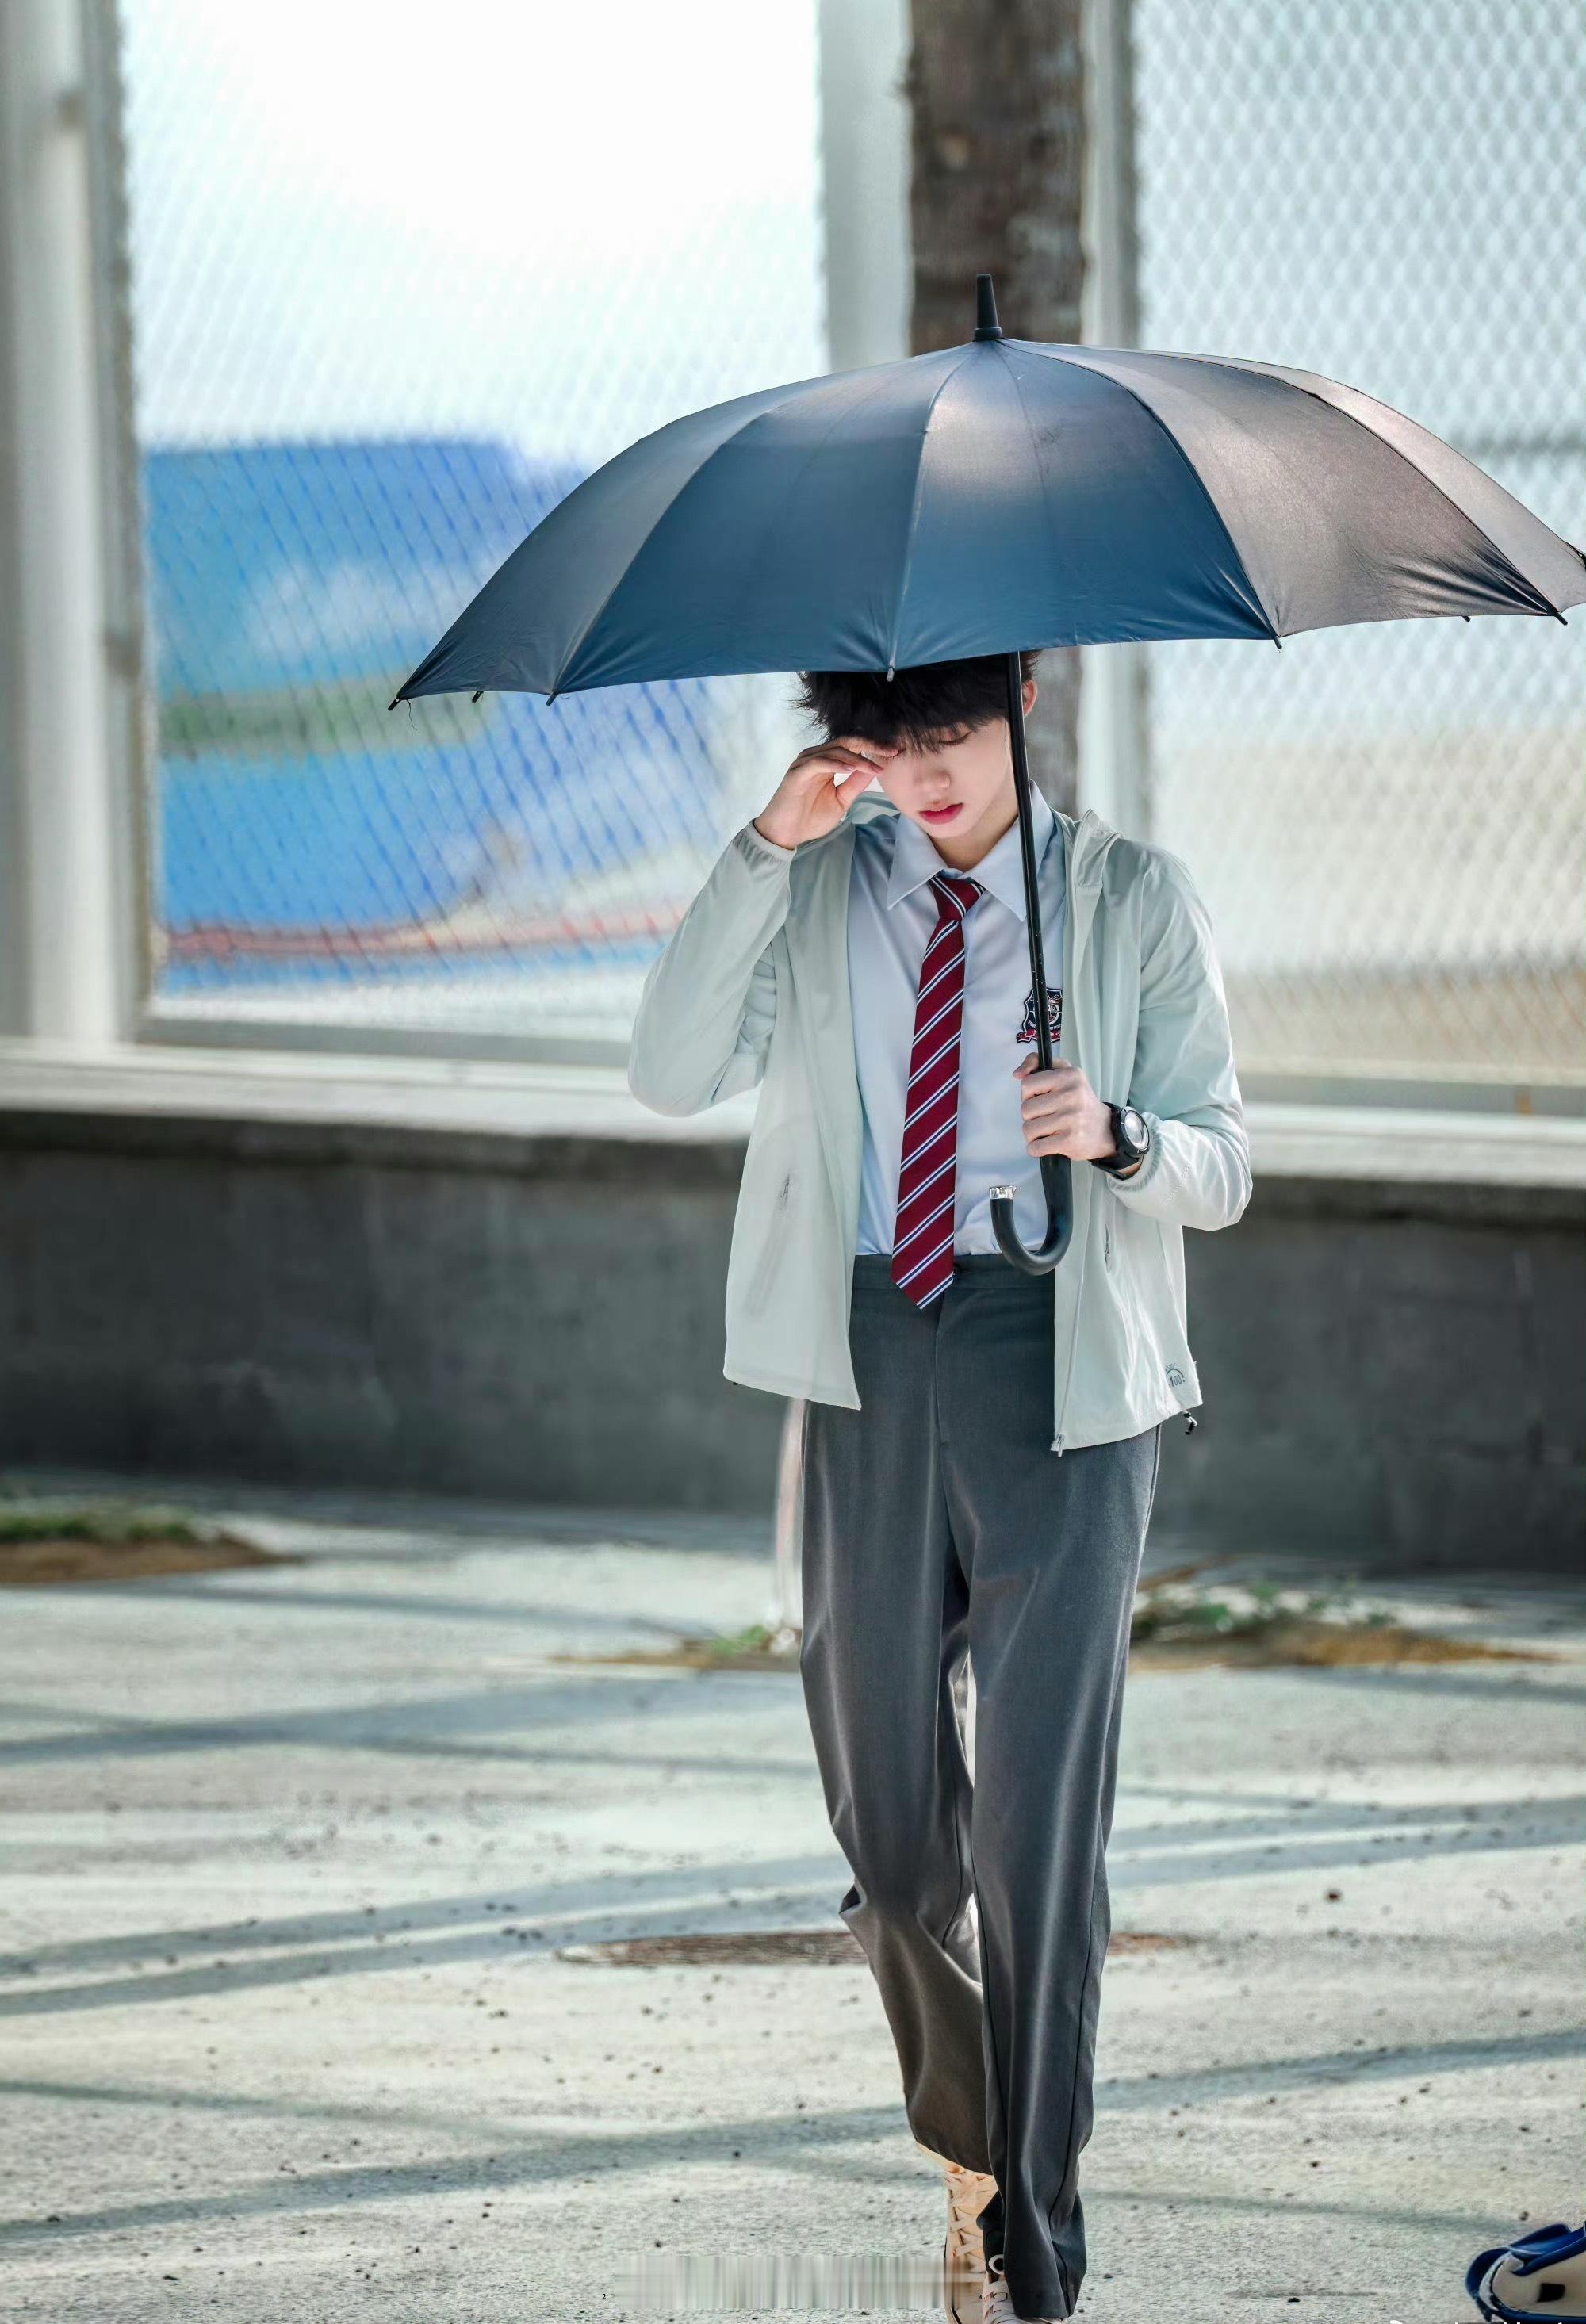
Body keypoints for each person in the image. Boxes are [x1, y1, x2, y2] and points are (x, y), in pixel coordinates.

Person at [626, 649, 1251, 2323]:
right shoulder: (819, 887)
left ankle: (1035, 2239)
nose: (929, 778)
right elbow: (671, 1067)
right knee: (894, 1842)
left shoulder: (1126, 895)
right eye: (891, 749)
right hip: (868, 1349)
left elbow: (1222, 1159)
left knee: (1041, 1837)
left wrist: (1114, 1130)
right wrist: (768, 837)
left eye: (953, 739)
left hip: (1061, 1361)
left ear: (1024, 702)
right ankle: (977, 2136)